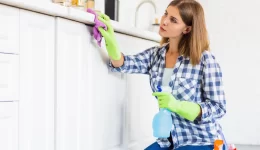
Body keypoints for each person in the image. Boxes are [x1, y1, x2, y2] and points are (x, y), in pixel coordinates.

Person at [97, 0, 226, 149]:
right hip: (168, 141)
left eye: (173, 20)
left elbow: (218, 108)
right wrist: (111, 42)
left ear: (187, 29)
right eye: (166, 14)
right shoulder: (156, 55)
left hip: (201, 139)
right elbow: (124, 64)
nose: (164, 21)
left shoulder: (203, 59)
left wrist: (179, 106)